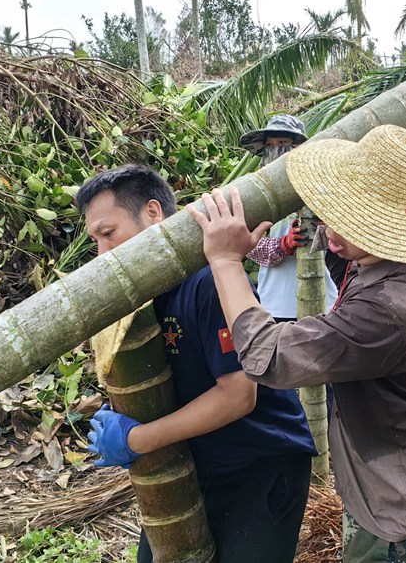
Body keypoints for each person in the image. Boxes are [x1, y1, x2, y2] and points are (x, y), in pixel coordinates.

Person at [186, 125, 406, 563]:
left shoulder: (391, 310)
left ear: (389, 227)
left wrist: (224, 260)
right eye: (338, 211)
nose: (333, 228)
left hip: (403, 506)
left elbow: (267, 355)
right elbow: (350, 264)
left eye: (352, 218)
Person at [77, 165, 316, 563]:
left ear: (153, 213)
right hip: (198, 461)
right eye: (94, 241)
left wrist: (137, 439)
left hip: (259, 465)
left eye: (109, 233)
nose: (102, 253)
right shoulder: (138, 292)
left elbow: (240, 395)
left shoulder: (206, 282)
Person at [240, 114, 338, 322]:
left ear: (297, 148)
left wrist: (319, 230)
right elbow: (247, 245)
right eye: (270, 145)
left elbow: (342, 241)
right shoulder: (256, 196)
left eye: (283, 143)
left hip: (322, 301)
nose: (276, 149)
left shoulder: (321, 187)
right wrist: (282, 246)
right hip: (273, 304)